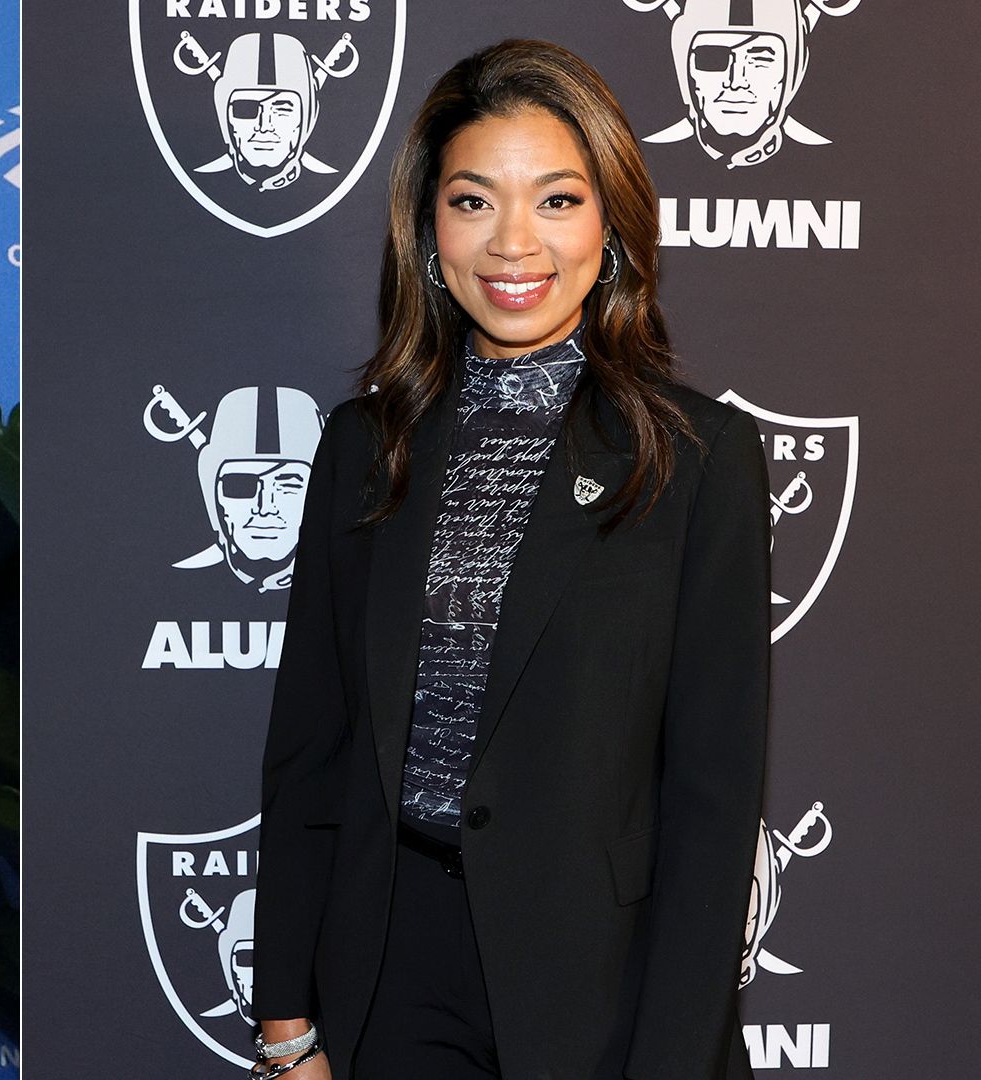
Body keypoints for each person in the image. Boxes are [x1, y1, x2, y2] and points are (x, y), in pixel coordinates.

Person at [250, 40, 769, 1080]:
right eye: (474, 201)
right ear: (427, 226)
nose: (513, 244)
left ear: (612, 223)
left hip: (602, 988)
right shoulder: (364, 443)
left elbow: (713, 805)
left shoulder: (696, 456)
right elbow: (312, 745)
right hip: (389, 973)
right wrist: (285, 1023)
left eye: (558, 201)